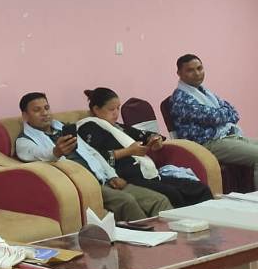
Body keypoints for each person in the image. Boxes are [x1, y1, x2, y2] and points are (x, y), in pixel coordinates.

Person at [15, 92, 171, 221]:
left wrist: (112, 175)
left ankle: (173, 240)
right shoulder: (24, 141)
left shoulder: (63, 128)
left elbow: (92, 153)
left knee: (159, 200)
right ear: (25, 115)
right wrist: (56, 152)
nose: (45, 113)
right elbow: (38, 154)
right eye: (37, 110)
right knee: (127, 201)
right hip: (84, 185)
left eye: (47, 108)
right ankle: (150, 241)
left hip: (103, 177)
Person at [78, 88, 213, 208]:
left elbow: (144, 134)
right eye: (111, 109)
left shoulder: (118, 127)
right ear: (96, 109)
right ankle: (184, 226)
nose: (116, 113)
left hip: (148, 175)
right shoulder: (89, 128)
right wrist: (129, 151)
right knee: (173, 194)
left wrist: (154, 140)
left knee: (200, 189)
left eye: (118, 108)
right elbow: (96, 157)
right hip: (128, 178)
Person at [170, 54, 258, 182]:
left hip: (223, 137)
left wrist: (221, 114)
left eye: (199, 68)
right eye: (190, 70)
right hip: (206, 144)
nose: (197, 73)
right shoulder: (181, 98)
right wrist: (223, 113)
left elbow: (234, 113)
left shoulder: (205, 92)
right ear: (179, 73)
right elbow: (215, 117)